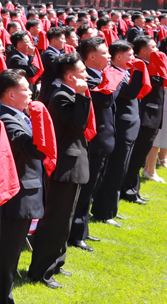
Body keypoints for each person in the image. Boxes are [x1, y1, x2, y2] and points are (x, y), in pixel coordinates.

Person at [0, 70, 45, 304]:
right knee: (4, 258)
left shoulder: (17, 116)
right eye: (25, 90)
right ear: (10, 94)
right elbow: (34, 148)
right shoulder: (7, 120)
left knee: (11, 258)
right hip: (15, 197)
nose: (31, 93)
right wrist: (40, 118)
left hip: (25, 193)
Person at [30, 53, 92, 289]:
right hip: (65, 165)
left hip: (73, 162)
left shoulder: (66, 92)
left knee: (65, 219)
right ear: (70, 76)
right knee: (55, 220)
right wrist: (82, 94)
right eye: (82, 72)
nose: (86, 75)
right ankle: (41, 271)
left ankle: (56, 262)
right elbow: (78, 124)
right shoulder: (60, 95)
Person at [68, 37, 114, 248]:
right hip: (92, 143)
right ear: (91, 56)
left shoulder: (100, 76)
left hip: (104, 141)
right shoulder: (88, 82)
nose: (109, 56)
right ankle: (75, 234)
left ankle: (82, 230)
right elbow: (104, 101)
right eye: (105, 53)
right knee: (84, 191)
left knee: (91, 189)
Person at [91, 41, 144, 223]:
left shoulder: (123, 72)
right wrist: (139, 70)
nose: (133, 59)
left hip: (130, 126)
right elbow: (130, 93)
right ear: (118, 57)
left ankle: (111, 208)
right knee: (114, 170)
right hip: (121, 127)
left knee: (121, 170)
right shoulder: (112, 74)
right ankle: (104, 212)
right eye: (130, 55)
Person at [121, 36, 161, 204]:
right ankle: (128, 190)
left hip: (153, 116)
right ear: (144, 51)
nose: (157, 50)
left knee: (139, 157)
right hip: (145, 116)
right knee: (136, 157)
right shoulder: (139, 66)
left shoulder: (151, 65)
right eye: (154, 47)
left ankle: (134, 190)